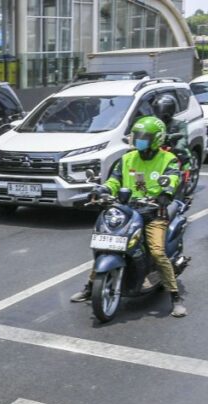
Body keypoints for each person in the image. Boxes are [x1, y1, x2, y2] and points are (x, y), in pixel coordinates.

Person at [70, 116, 186, 317]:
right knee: (107, 244)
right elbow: (115, 180)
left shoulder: (168, 159)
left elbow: (173, 178)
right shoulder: (127, 158)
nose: (139, 140)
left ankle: (174, 297)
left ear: (156, 139)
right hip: (128, 210)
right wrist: (103, 189)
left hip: (154, 212)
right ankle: (90, 288)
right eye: (137, 136)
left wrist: (165, 194)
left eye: (144, 137)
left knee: (158, 252)